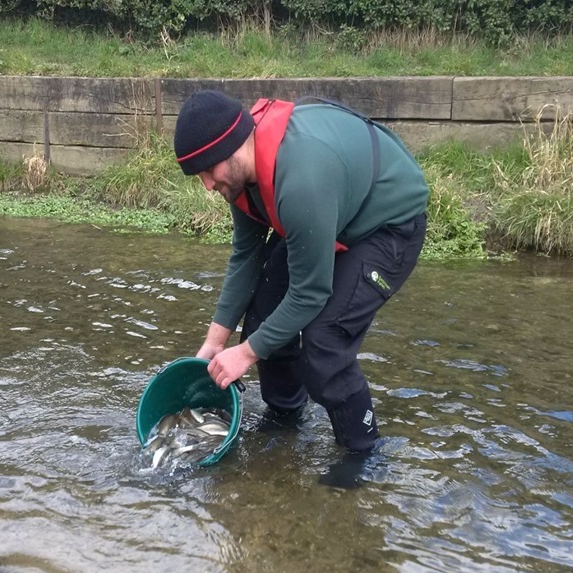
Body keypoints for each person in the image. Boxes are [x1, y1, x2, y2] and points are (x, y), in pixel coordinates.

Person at [173, 89, 428, 454]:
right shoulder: (243, 176)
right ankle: (287, 418)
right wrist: (215, 344)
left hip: (388, 225)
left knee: (325, 346)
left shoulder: (299, 182)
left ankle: (363, 453)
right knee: (262, 322)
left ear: (229, 149)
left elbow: (311, 293)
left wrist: (244, 354)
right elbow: (246, 255)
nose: (208, 186)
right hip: (328, 215)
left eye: (207, 172)